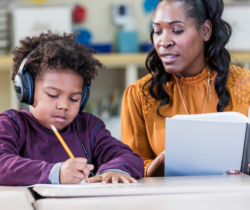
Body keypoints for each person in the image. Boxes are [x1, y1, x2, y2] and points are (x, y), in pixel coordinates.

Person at [121, 0, 250, 177]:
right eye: (157, 31)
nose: (163, 42)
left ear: (205, 31)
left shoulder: (246, 84)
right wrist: (163, 160)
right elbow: (131, 167)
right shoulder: (139, 94)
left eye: (177, 30)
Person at [0, 31, 144, 186]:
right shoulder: (11, 124)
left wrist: (115, 170)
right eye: (53, 94)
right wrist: (56, 173)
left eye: (74, 98)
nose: (64, 105)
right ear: (26, 90)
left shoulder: (88, 128)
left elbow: (130, 157)